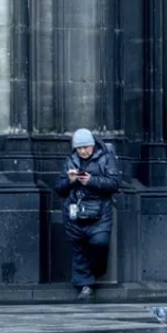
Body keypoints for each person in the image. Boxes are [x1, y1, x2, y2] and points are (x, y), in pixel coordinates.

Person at [53, 129, 121, 301]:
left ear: (93, 145)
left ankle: (95, 271)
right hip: (76, 211)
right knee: (79, 247)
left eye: (86, 147)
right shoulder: (71, 161)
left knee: (100, 242)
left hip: (100, 210)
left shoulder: (106, 157)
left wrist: (91, 181)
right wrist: (70, 181)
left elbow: (114, 183)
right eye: (79, 148)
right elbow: (59, 189)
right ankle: (85, 286)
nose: (83, 151)